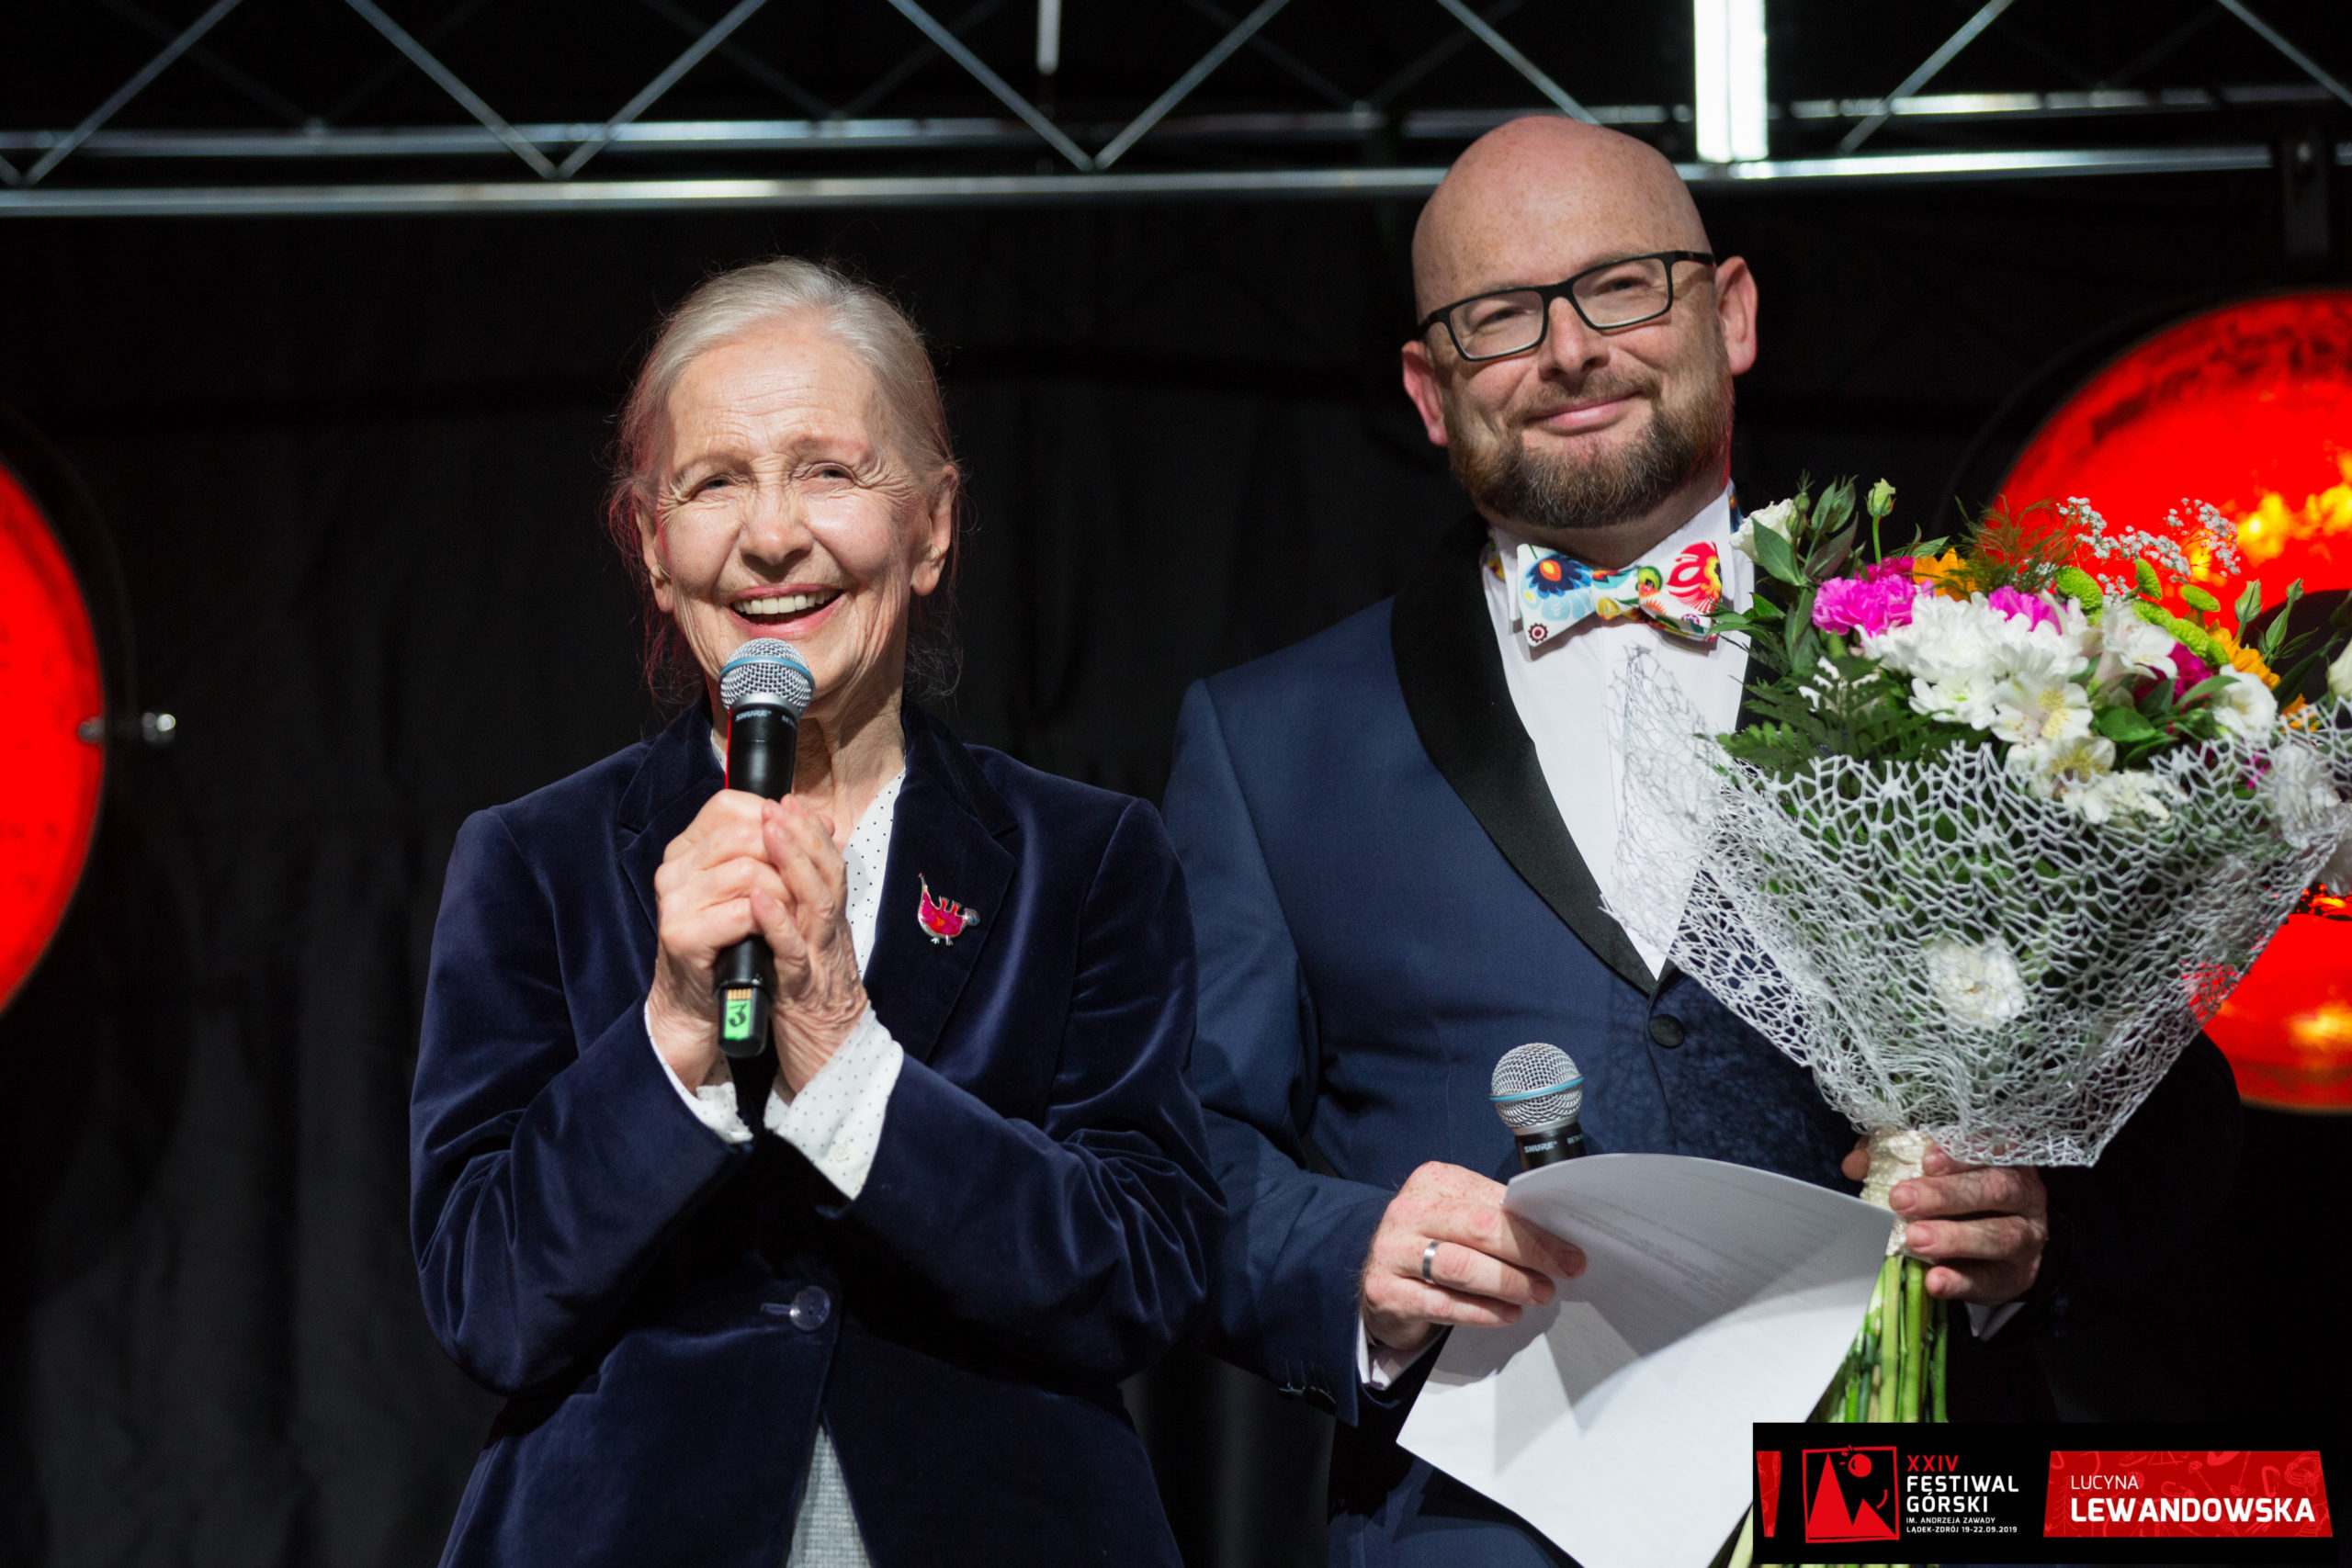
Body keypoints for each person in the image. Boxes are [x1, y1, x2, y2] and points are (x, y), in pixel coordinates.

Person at [1162, 118, 2238, 1566]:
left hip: (1907, 1512)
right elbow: (1173, 1157)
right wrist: (1341, 1254)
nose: (1570, 349)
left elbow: (2169, 1104)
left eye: (1623, 286)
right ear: (1428, 389)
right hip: (1489, 1530)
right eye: (1501, 316)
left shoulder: (1985, 673)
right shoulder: (1268, 739)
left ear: (1730, 314)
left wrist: (2045, 1224)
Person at [410, 257, 1222, 1568]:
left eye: (829, 472)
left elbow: (1141, 1275)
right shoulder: (534, 862)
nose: (773, 535)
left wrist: (847, 1060)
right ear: (652, 547)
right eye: (715, 482)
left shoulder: (1082, 858)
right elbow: (487, 1298)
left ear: (933, 524)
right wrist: (671, 1034)